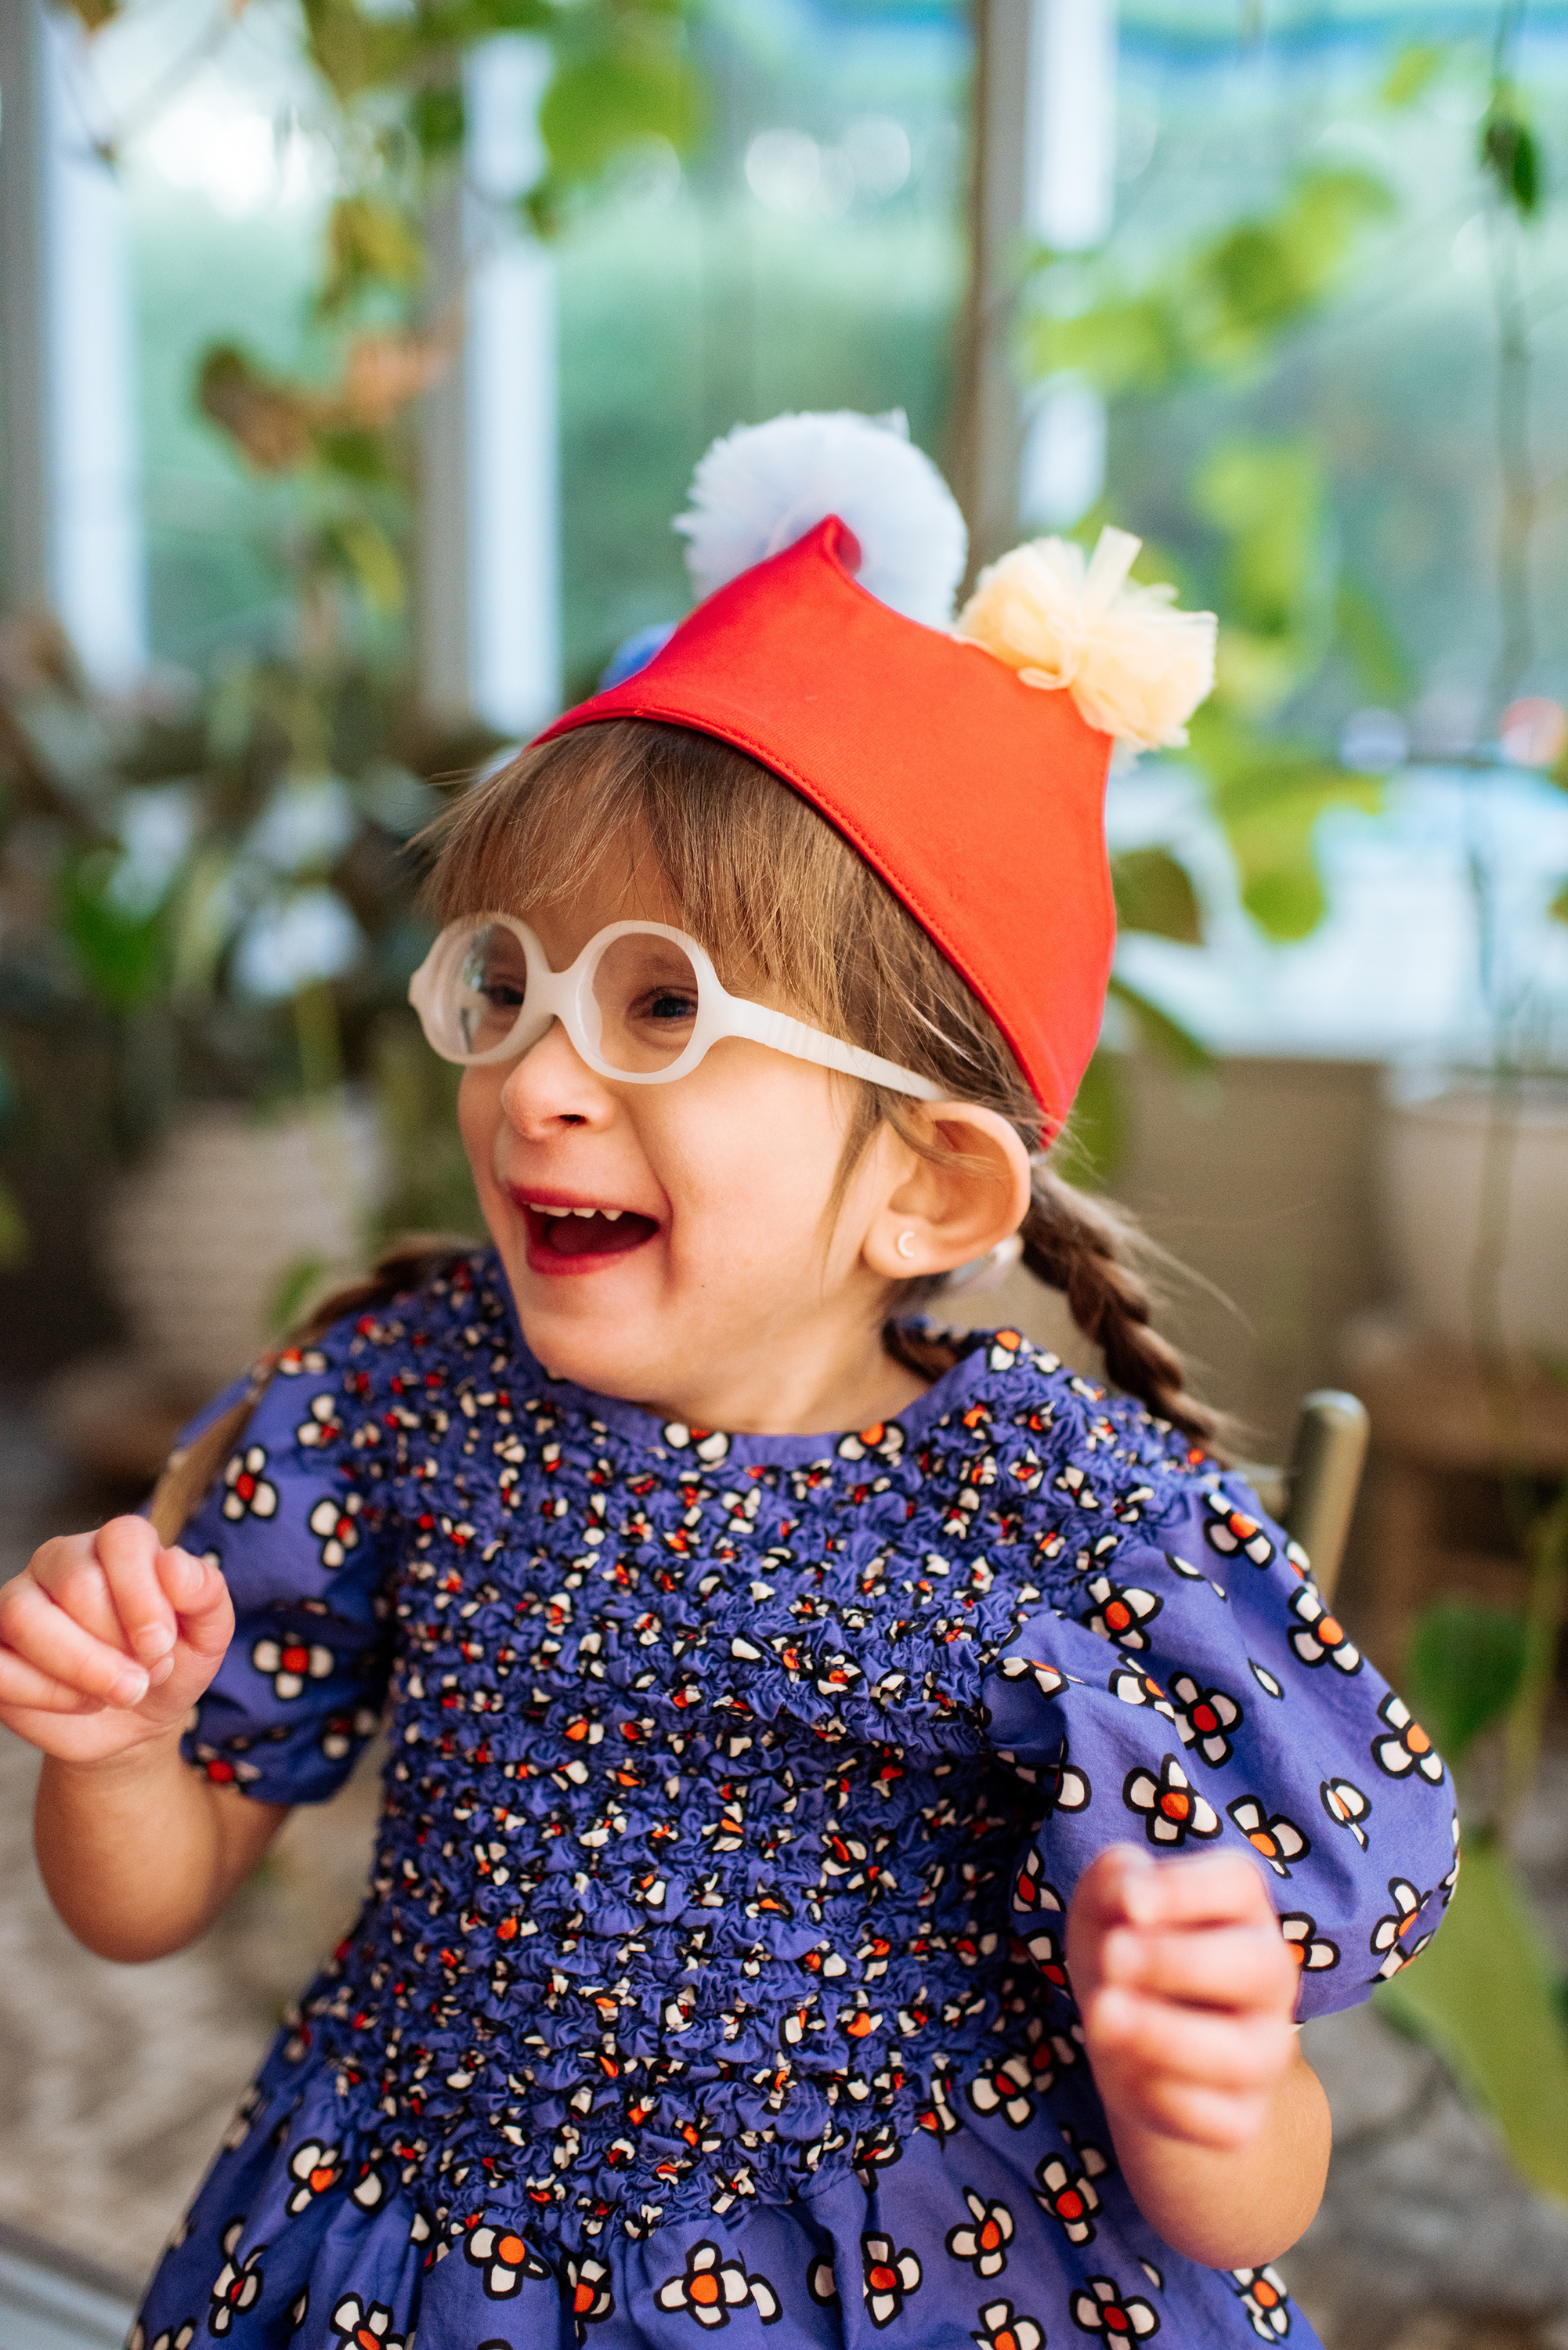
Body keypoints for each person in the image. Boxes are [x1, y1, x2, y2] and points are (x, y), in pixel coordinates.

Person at [2, 412, 1455, 2350]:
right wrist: (115, 1751)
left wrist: (1204, 2078)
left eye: (663, 1008)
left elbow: (1242, 2196)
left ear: (925, 1180)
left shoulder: (1056, 1522)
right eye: (506, 982)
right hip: (414, 2253)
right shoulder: (397, 1402)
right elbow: (145, 1899)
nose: (532, 1079)